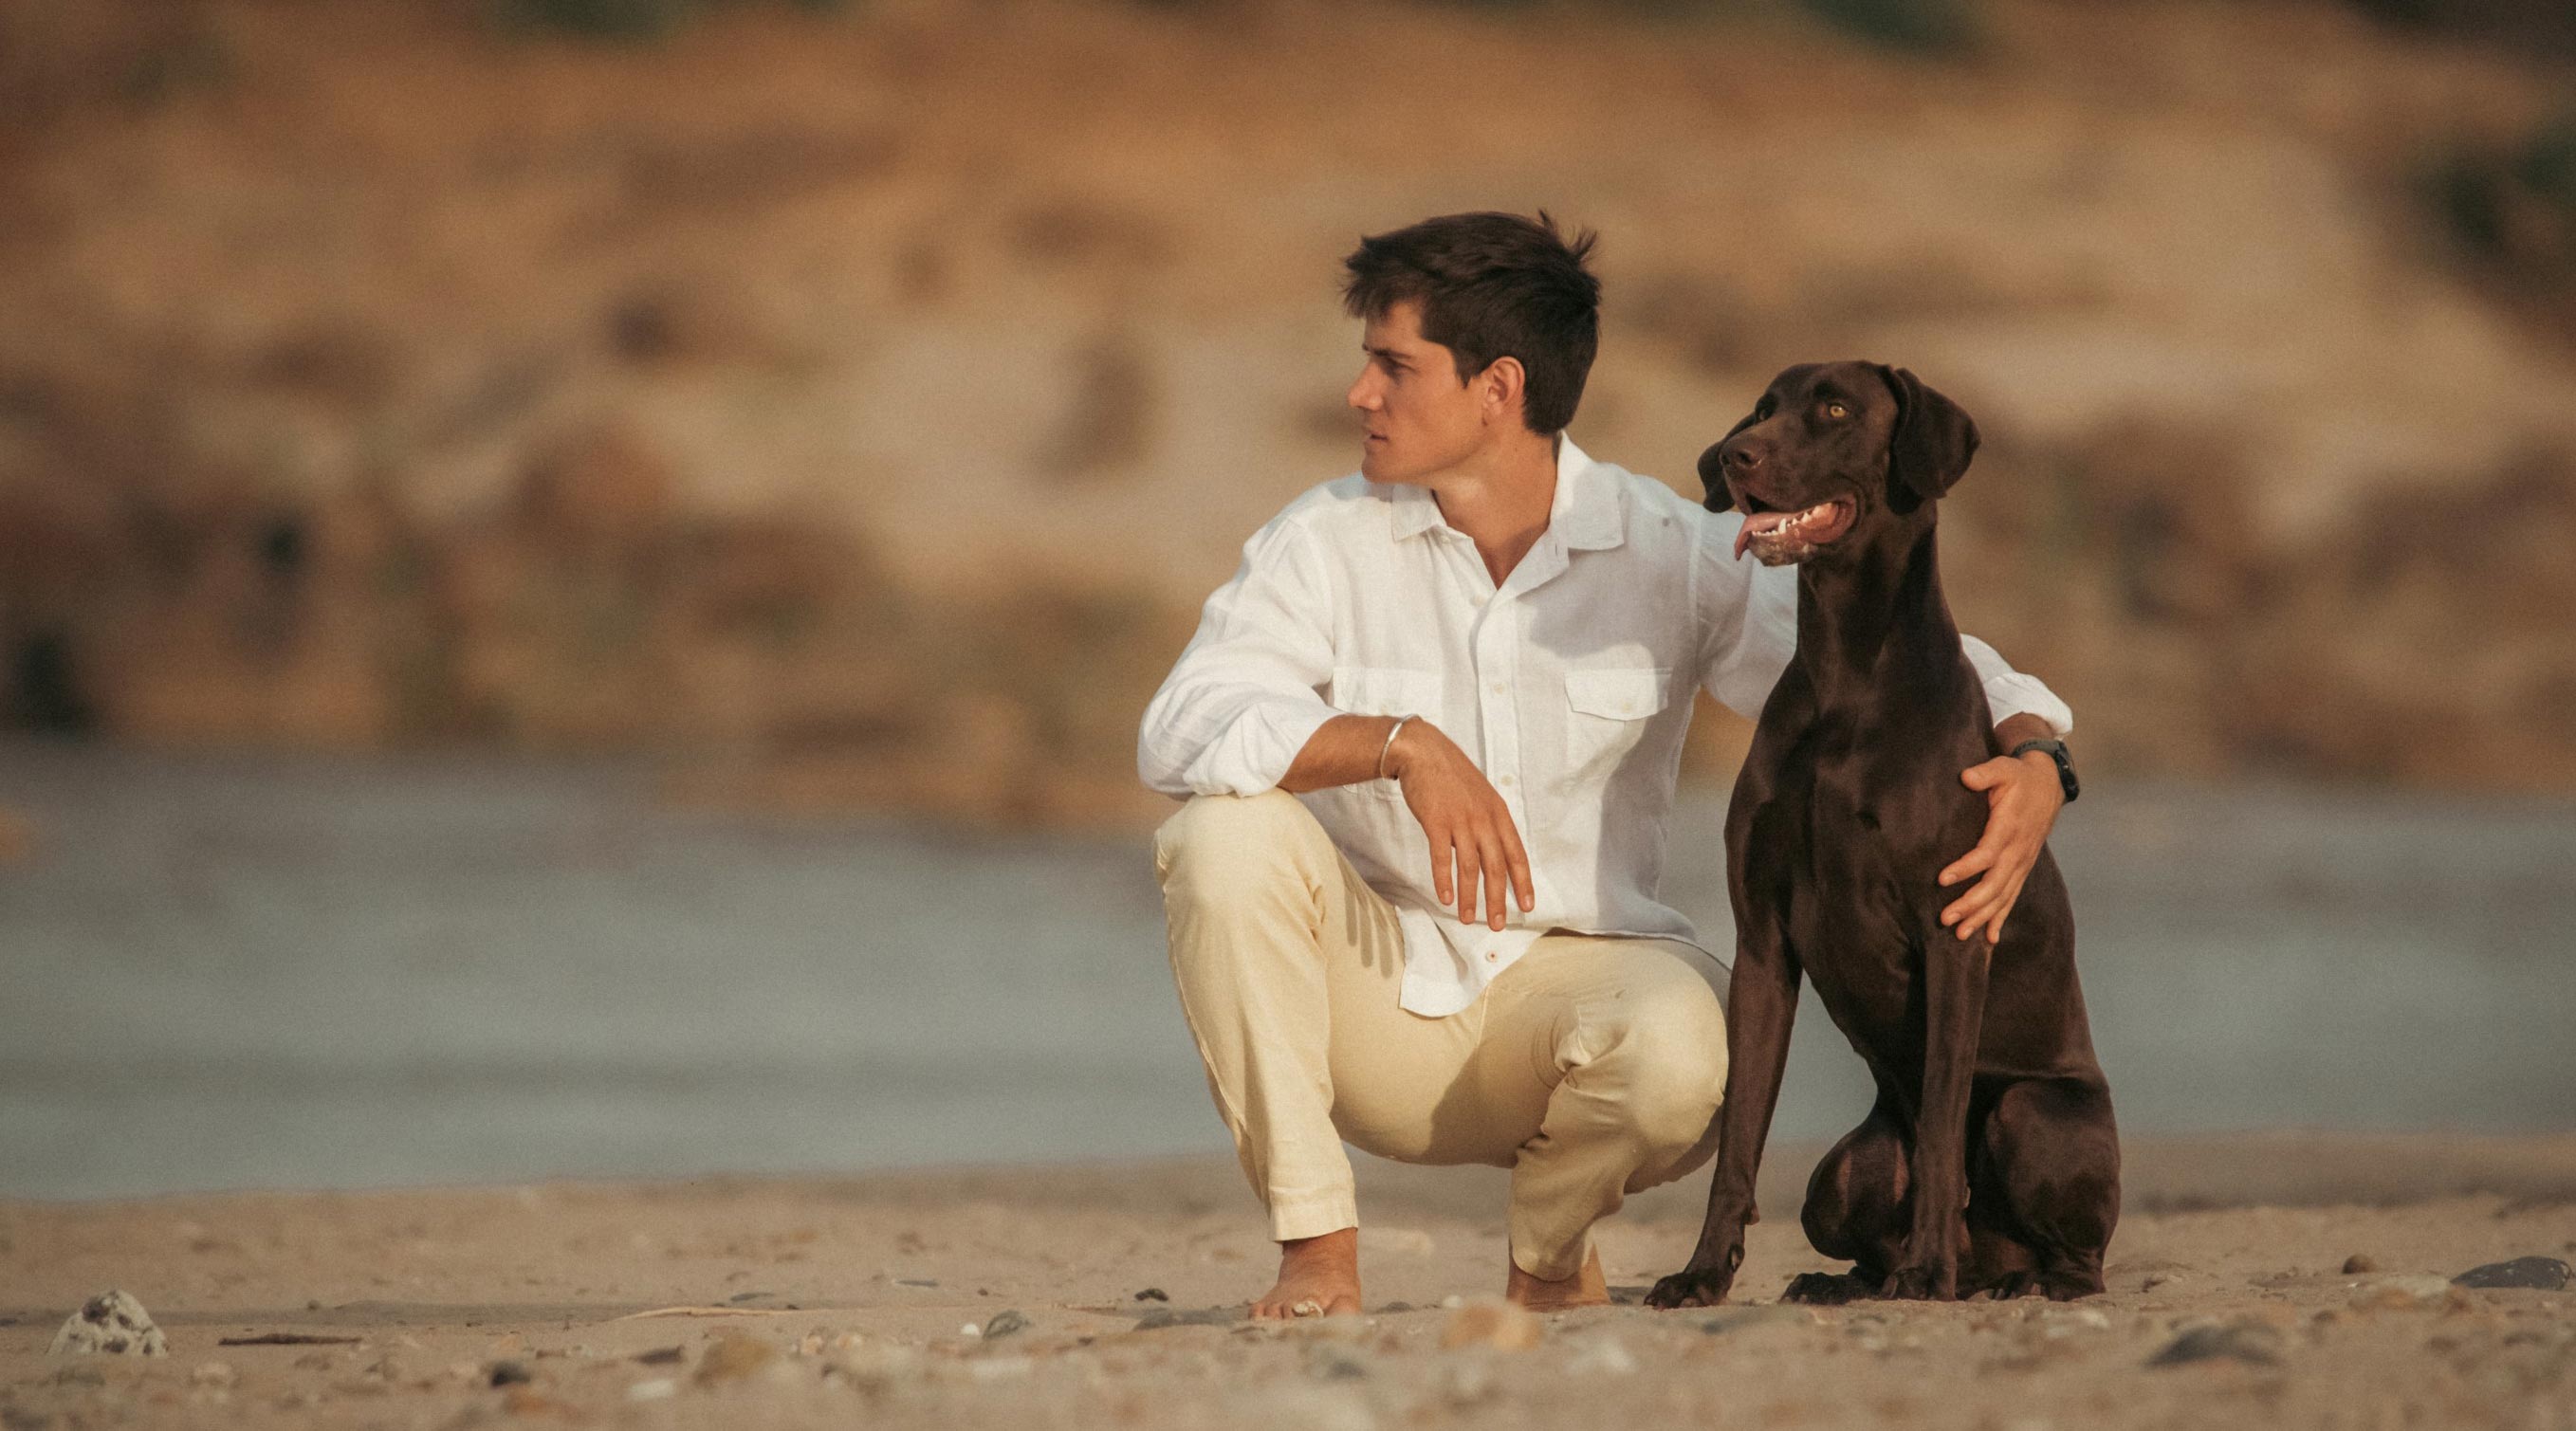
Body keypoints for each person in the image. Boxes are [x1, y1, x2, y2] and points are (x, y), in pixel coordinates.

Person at [1135, 211, 2072, 1316]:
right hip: (1377, 1010)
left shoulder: (1662, 548)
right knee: (1218, 834)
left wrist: (2038, 761)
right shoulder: (1322, 541)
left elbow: (1919, 663)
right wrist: (1396, 746)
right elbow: (1181, 724)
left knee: (1687, 1048)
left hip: (1583, 1017)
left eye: (1393, 366)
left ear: (1498, 388)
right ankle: (1318, 1259)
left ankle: (1549, 1261)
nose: (1361, 395)